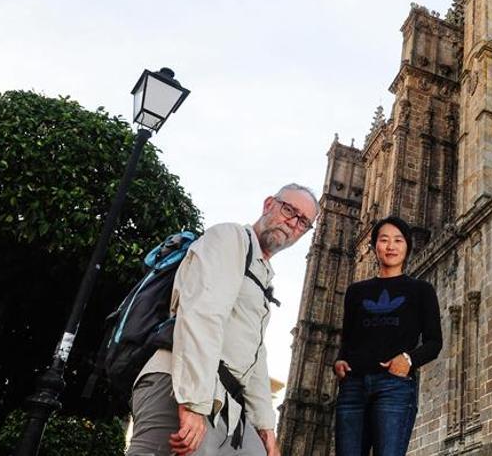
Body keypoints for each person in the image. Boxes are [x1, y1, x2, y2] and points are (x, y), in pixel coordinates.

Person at [126, 184, 319, 456]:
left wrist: (265, 427)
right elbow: (202, 313)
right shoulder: (230, 238)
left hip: (224, 404)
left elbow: (255, 354)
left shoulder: (261, 274)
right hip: (179, 384)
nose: (292, 223)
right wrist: (193, 402)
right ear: (268, 205)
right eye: (288, 210)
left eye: (303, 222)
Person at [333, 216, 442, 456]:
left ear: (407, 247)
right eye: (384, 240)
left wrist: (408, 360)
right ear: (374, 247)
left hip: (395, 386)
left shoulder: (421, 290)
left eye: (398, 240)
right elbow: (349, 338)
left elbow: (434, 342)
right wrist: (340, 360)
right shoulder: (356, 292)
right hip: (353, 386)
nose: (391, 246)